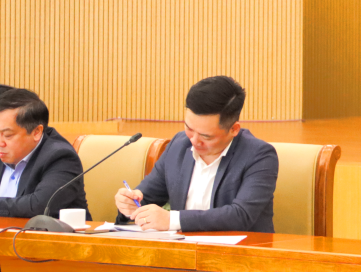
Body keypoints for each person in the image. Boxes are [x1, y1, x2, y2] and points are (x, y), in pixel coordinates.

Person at [115, 76, 278, 232]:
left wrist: (172, 220)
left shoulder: (259, 155)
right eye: (189, 128)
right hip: (181, 248)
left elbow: (241, 215)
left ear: (234, 129)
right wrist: (130, 204)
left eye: (206, 136)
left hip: (241, 249)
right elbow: (146, 197)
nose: (194, 140)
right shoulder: (178, 145)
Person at [0, 88, 89, 219]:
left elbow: (40, 205)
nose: (1, 143)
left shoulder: (61, 157)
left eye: (8, 135)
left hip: (51, 231)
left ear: (36, 132)